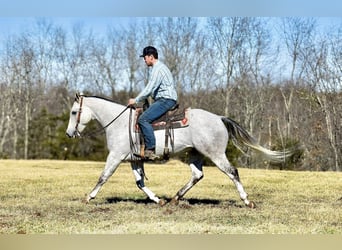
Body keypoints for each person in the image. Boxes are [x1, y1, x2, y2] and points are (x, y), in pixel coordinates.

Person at [128, 46, 178, 160]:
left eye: (145, 57)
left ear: (151, 57)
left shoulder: (158, 69)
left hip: (166, 100)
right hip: (164, 99)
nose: (144, 60)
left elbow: (149, 88)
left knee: (143, 119)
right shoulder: (159, 68)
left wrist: (135, 100)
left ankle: (150, 149)